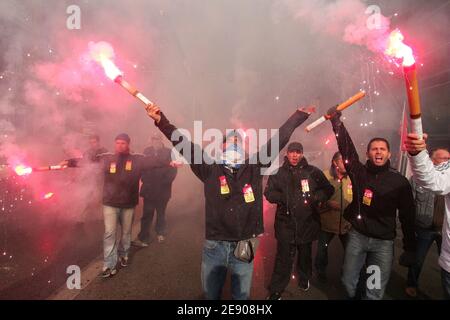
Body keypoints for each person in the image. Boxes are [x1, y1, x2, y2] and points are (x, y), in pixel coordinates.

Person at [146, 104, 315, 300]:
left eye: (238, 141)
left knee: (241, 298)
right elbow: (185, 145)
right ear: (222, 147)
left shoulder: (254, 167)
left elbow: (277, 141)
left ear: (244, 148)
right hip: (215, 246)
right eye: (230, 141)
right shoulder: (209, 169)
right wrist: (161, 121)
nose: (234, 144)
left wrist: (298, 116)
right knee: (211, 296)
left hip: (244, 246)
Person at [326, 107, 416, 300]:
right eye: (374, 148)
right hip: (357, 237)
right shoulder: (359, 172)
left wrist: (410, 247)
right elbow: (346, 149)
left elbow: (408, 217)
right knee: (348, 281)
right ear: (367, 154)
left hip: (382, 244)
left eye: (382, 149)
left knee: (373, 290)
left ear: (389, 155)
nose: (378, 152)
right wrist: (336, 123)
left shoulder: (399, 182)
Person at [67, 133, 169, 277]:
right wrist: (69, 162)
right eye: (117, 143)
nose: (120, 146)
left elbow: (154, 161)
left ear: (128, 144)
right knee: (109, 233)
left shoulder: (137, 159)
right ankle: (109, 264)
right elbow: (88, 161)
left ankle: (124, 254)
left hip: (128, 204)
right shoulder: (107, 157)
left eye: (123, 143)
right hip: (110, 203)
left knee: (126, 233)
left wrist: (170, 163)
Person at [264, 142, 334, 300]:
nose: (295, 155)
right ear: (287, 154)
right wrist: (283, 198)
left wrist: (317, 197)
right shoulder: (277, 173)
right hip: (285, 223)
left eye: (298, 152)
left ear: (302, 154)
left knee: (305, 254)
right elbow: (268, 193)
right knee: (283, 258)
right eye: (292, 152)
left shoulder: (313, 171)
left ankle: (304, 278)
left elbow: (328, 189)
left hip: (308, 222)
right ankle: (276, 289)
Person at [405, 133, 450, 299]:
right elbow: (409, 204)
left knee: (445, 265)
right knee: (418, 260)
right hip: (424, 227)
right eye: (443, 158)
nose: (447, 161)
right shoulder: (418, 179)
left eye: (448, 158)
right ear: (431, 160)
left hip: (443, 229)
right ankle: (411, 283)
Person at [132, 133, 178, 246]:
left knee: (161, 212)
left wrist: (165, 182)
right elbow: (142, 166)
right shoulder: (147, 151)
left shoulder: (169, 152)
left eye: (157, 139)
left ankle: (160, 232)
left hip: (163, 190)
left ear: (161, 140)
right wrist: (144, 179)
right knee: (147, 213)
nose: (155, 141)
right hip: (149, 189)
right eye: (153, 139)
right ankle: (143, 237)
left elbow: (173, 169)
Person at [314, 151, 352, 282]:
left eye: (347, 160)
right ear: (334, 162)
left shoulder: (352, 177)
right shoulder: (324, 176)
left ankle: (346, 274)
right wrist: (326, 203)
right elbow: (314, 198)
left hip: (347, 224)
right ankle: (320, 271)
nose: (346, 163)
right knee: (322, 250)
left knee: (350, 252)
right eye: (342, 160)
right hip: (327, 223)